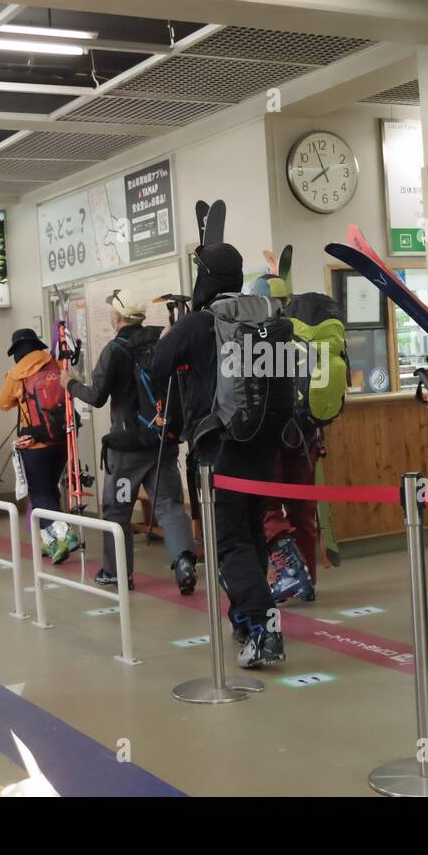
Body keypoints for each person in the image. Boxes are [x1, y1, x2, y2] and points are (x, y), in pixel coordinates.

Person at [151, 243, 286, 668]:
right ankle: (245, 616)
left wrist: (168, 341)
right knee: (251, 531)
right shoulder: (267, 310)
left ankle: (264, 626)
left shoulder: (199, 323)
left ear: (205, 278)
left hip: (221, 444)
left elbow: (157, 369)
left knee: (229, 541)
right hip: (266, 442)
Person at [61, 290, 198, 595]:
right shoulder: (163, 340)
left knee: (118, 511)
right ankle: (185, 563)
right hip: (162, 441)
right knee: (169, 505)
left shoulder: (114, 350)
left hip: (126, 449)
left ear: (119, 318)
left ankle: (116, 573)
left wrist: (69, 384)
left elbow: (96, 396)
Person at [252, 274, 318, 603]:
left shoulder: (259, 339)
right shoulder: (306, 337)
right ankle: (308, 580)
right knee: (303, 511)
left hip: (271, 439)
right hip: (307, 436)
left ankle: (290, 573)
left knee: (266, 508)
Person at [0, 328, 80, 564]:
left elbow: (2, 403)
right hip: (62, 440)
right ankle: (49, 541)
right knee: (50, 488)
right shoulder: (55, 365)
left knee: (40, 493)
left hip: (35, 444)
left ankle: (63, 537)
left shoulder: (16, 373)